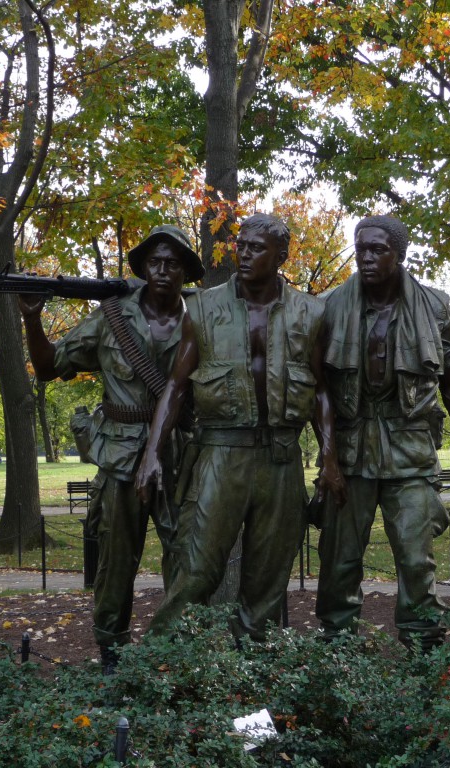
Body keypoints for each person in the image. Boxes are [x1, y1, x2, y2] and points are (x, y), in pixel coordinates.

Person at [135, 213, 346, 642]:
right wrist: (152, 454)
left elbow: (321, 392)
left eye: (256, 248)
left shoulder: (312, 312)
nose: (244, 254)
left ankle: (253, 676)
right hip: (219, 453)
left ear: (281, 256)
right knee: (195, 570)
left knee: (268, 580)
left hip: (282, 458)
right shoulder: (202, 307)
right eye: (241, 245)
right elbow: (176, 386)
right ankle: (159, 666)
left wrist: (330, 459)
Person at [18, 224, 204, 674]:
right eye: (154, 262)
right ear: (141, 269)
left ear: (185, 272)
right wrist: (32, 318)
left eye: (173, 263)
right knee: (115, 565)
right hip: (121, 459)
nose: (162, 271)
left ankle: (174, 654)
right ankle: (112, 660)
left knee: (188, 560)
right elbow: (48, 367)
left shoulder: (204, 316)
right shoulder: (112, 318)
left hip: (183, 456)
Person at [315, 215, 450, 652]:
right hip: (350, 450)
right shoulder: (327, 307)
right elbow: (316, 390)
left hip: (410, 449)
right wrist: (328, 460)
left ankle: (424, 650)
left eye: (378, 249)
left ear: (399, 255)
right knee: (338, 561)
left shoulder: (435, 307)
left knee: (417, 559)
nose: (366, 257)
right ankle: (335, 652)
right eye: (361, 248)